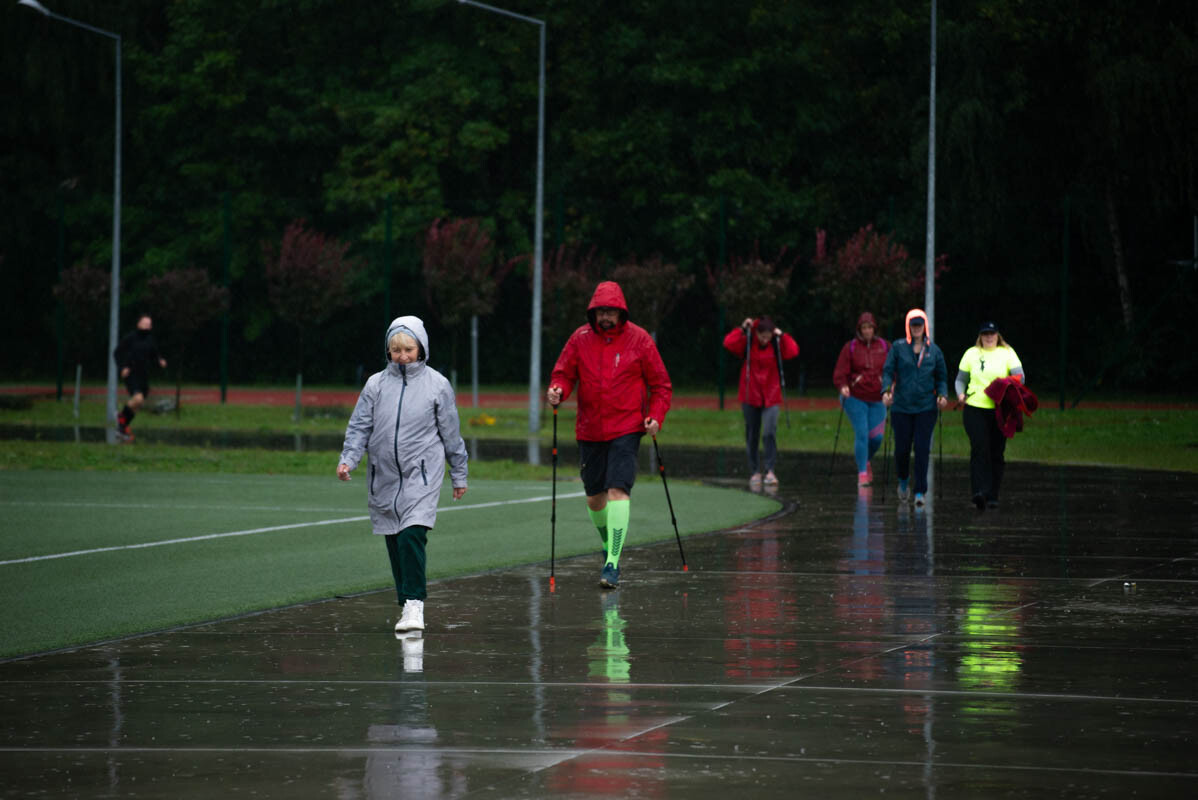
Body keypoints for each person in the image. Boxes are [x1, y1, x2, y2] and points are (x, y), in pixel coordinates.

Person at [338, 316, 468, 634]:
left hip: (421, 473)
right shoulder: (375, 385)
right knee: (394, 536)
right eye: (396, 350)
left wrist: (459, 473)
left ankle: (414, 604)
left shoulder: (437, 385)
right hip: (383, 473)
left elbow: (451, 433)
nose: (403, 356)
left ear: (421, 348)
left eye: (409, 349)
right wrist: (348, 459)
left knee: (412, 533)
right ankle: (405, 602)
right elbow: (359, 426)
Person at [546, 281, 672, 589]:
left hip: (627, 428)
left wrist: (655, 416)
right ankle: (608, 545)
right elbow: (563, 373)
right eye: (601, 311)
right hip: (589, 428)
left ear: (621, 312)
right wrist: (558, 391)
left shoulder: (640, 340)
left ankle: (612, 563)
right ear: (593, 312)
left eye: (611, 312)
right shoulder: (580, 339)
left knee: (618, 490)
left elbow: (661, 385)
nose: (606, 317)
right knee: (594, 497)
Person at [881, 309, 948, 507]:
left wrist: (942, 395)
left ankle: (920, 491)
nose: (917, 328)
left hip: (926, 407)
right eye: (913, 325)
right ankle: (903, 480)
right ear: (909, 326)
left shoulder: (934, 350)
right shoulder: (898, 347)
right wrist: (886, 391)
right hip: (901, 406)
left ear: (924, 326)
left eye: (920, 325)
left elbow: (941, 377)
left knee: (921, 449)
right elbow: (888, 371)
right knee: (901, 449)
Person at [722, 316, 799, 488]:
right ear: (756, 333)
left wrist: (782, 335)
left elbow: (793, 351)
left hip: (771, 395)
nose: (765, 339)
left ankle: (770, 470)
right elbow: (728, 343)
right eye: (762, 336)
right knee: (752, 434)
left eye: (768, 336)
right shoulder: (748, 343)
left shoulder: (776, 344)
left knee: (769, 432)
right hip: (751, 394)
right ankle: (755, 471)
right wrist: (742, 329)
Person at [956, 320, 1024, 510]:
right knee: (979, 448)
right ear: (980, 336)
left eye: (992, 334)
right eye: (985, 334)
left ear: (997, 335)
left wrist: (1005, 385)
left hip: (999, 408)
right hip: (975, 406)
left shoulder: (1007, 353)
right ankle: (979, 491)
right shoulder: (972, 353)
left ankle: (993, 493)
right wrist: (961, 395)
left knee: (996, 450)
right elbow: (961, 379)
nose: (989, 337)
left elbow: (1020, 376)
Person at [832, 311, 889, 487]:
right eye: (864, 328)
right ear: (859, 329)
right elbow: (840, 372)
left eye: (870, 327)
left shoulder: (885, 346)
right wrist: (843, 386)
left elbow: (893, 369)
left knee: (877, 438)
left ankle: (865, 460)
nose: (867, 331)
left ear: (874, 328)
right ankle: (862, 473)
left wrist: (892, 385)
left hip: (878, 397)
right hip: (855, 397)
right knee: (862, 433)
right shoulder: (850, 347)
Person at [112, 313, 167, 440]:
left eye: (149, 324)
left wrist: (160, 361)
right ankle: (120, 418)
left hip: (144, 375)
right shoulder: (130, 338)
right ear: (138, 324)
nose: (147, 326)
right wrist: (122, 367)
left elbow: (154, 354)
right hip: (131, 374)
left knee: (139, 403)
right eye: (144, 323)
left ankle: (122, 427)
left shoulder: (150, 340)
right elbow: (117, 353)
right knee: (137, 399)